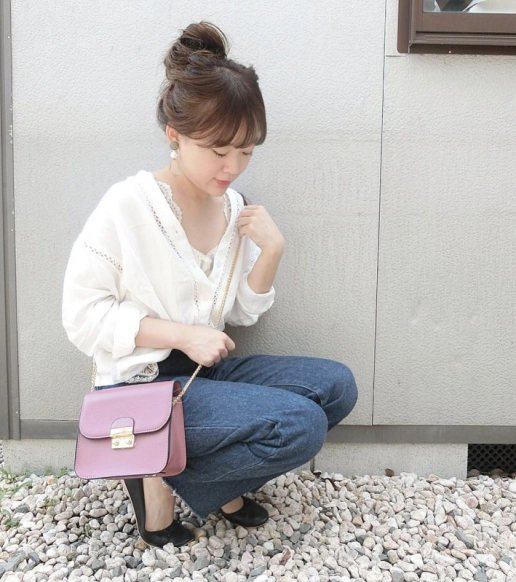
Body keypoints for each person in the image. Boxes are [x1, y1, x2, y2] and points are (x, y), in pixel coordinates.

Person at [62, 21, 358, 548]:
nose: (233, 166)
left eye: (246, 151)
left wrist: (272, 251)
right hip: (141, 383)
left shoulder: (234, 207)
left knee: (336, 387)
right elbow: (82, 317)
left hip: (206, 374)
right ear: (174, 135)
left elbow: (241, 312)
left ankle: (181, 472)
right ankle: (156, 477)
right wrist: (182, 335)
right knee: (300, 426)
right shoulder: (128, 205)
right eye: (219, 150)